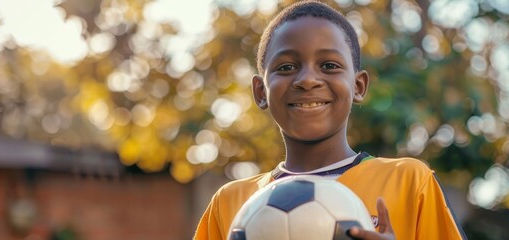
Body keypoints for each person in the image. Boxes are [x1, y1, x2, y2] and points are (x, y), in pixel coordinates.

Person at [194, 1, 467, 239]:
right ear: (260, 91)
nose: (308, 80)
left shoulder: (408, 182)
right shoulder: (230, 202)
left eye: (329, 66)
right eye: (286, 67)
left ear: (358, 86)